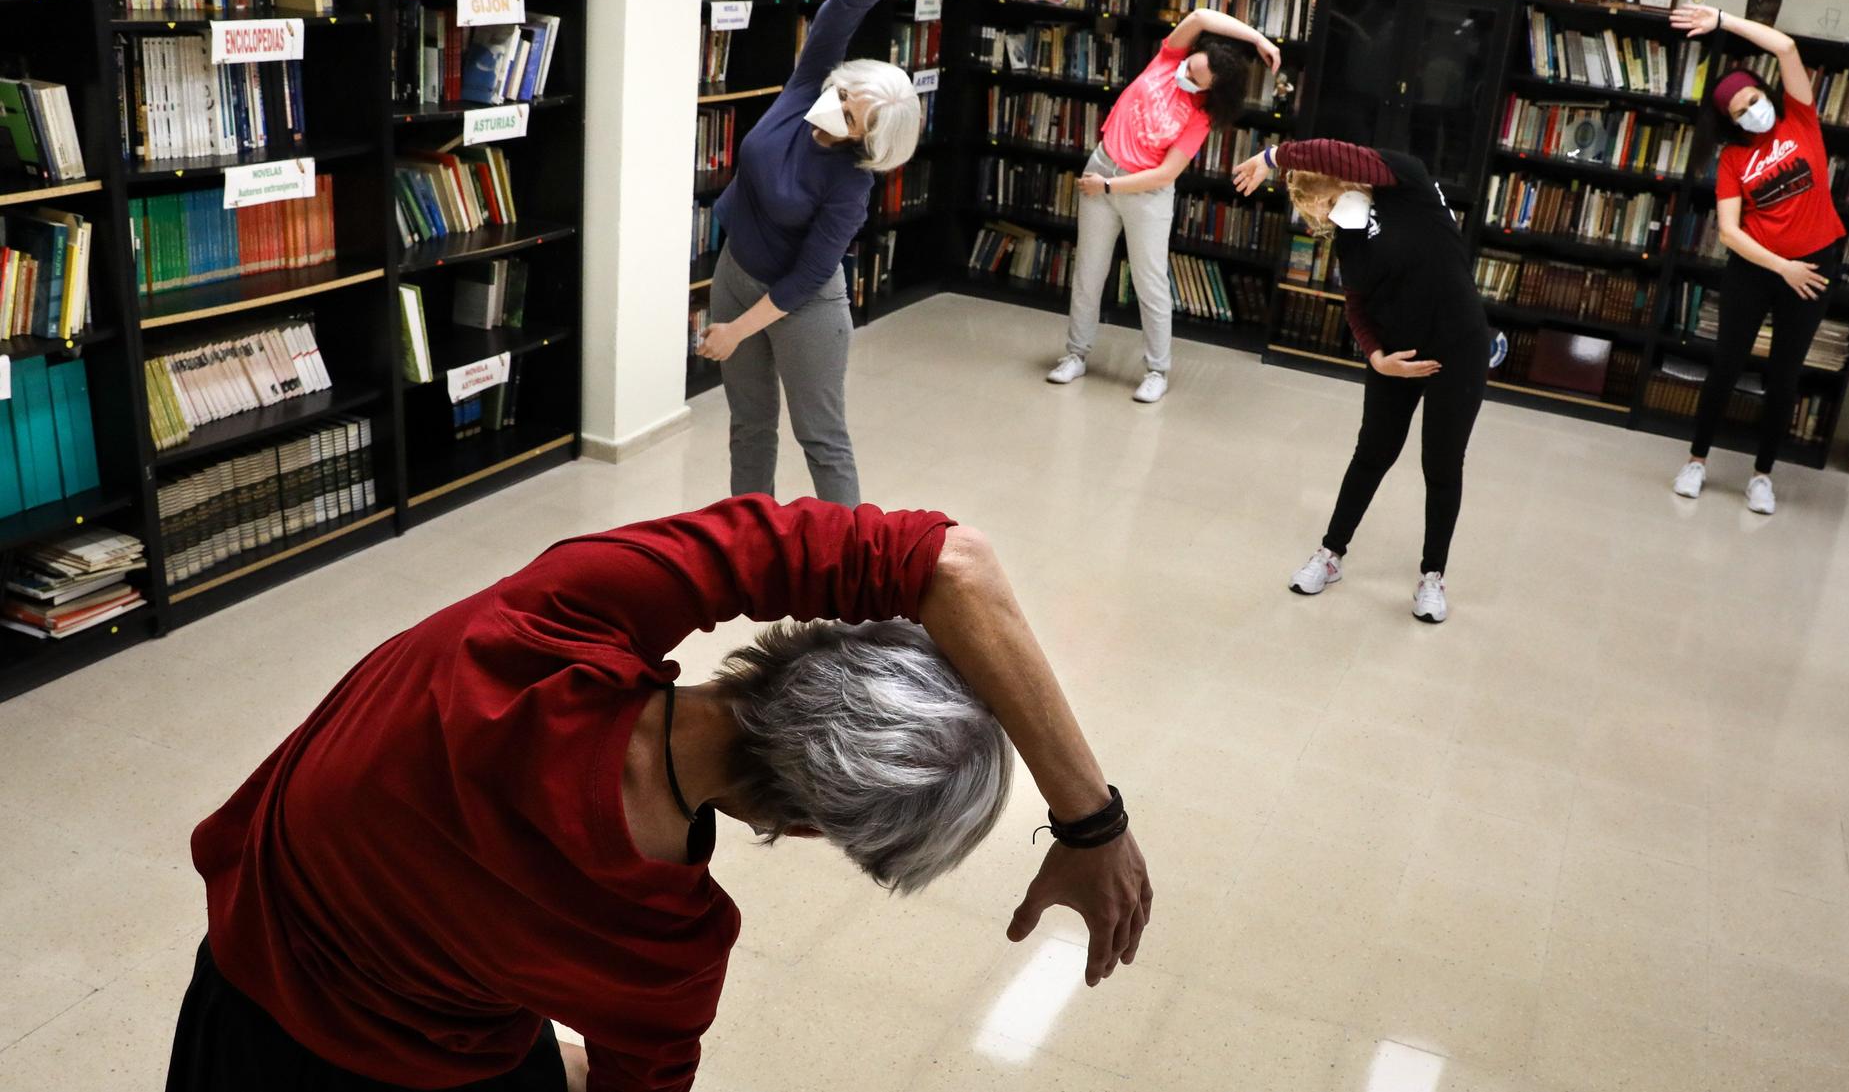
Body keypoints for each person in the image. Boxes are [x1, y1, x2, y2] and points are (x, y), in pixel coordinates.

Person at [167, 494, 1150, 1092]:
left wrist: (1090, 824)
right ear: (808, 828)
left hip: (238, 1005)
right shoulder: (663, 966)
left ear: (804, 638)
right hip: (419, 1079)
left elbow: (951, 563)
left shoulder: (557, 615)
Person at [697, 0, 987, 505]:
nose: (835, 106)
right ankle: (747, 542)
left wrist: (736, 332)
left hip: (803, 304)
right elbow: (843, 6)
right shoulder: (810, 85)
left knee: (821, 438)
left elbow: (806, 275)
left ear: (866, 139)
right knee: (749, 428)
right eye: (843, 93)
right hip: (736, 272)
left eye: (849, 114)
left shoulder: (851, 184)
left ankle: (851, 568)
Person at [1233, 137, 1488, 623]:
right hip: (1396, 356)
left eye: (1327, 200)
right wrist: (1376, 358)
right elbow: (1357, 305)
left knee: (1441, 462)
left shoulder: (1406, 179)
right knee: (1373, 452)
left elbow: (1334, 152)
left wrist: (1271, 157)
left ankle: (1432, 576)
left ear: (1342, 180)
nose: (1326, 214)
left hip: (1459, 348)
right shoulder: (1348, 237)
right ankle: (1331, 554)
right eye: (1317, 211)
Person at [1044, 8, 1278, 403]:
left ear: (1210, 89)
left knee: (1150, 283)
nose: (1184, 73)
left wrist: (1109, 187)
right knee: (1088, 272)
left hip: (1142, 193)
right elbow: (1202, 16)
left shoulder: (1200, 117)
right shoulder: (1168, 60)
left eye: (1196, 76)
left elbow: (1165, 174)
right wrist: (1259, 39)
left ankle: (1157, 370)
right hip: (1101, 171)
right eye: (1189, 63)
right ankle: (1075, 355)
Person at [1667, 5, 1843, 515]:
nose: (1754, 111)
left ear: (1768, 94)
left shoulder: (1802, 121)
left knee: (1784, 376)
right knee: (1725, 366)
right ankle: (1697, 462)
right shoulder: (1733, 160)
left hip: (1814, 265)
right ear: (1729, 120)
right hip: (1758, 268)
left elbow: (1786, 48)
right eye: (1741, 110)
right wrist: (1780, 266)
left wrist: (1721, 18)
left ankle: (1762, 476)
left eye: (1755, 99)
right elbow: (1728, 231)